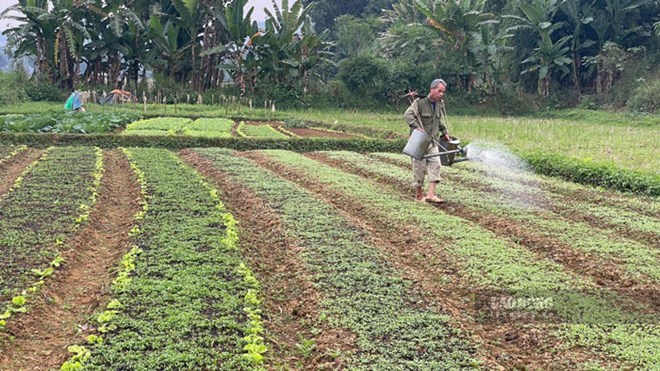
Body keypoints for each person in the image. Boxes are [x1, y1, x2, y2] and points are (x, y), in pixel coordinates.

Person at [403, 79, 450, 203]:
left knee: (436, 164)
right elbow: (408, 115)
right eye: (439, 91)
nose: (441, 94)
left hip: (433, 140)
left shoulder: (440, 104)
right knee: (419, 168)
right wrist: (417, 127)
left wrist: (445, 133)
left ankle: (431, 194)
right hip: (419, 141)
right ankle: (419, 195)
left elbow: (438, 121)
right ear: (432, 89)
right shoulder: (419, 102)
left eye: (443, 92)